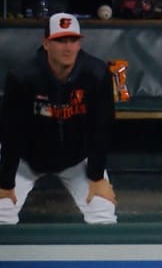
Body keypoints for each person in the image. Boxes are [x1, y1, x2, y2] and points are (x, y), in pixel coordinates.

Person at [0, 12, 117, 224]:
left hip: (76, 159)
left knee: (103, 211)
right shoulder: (22, 77)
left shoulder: (97, 74)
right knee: (2, 210)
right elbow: (11, 132)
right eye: (60, 40)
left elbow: (101, 129)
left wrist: (97, 177)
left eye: (73, 40)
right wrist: (6, 183)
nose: (68, 47)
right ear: (46, 43)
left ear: (80, 43)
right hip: (26, 160)